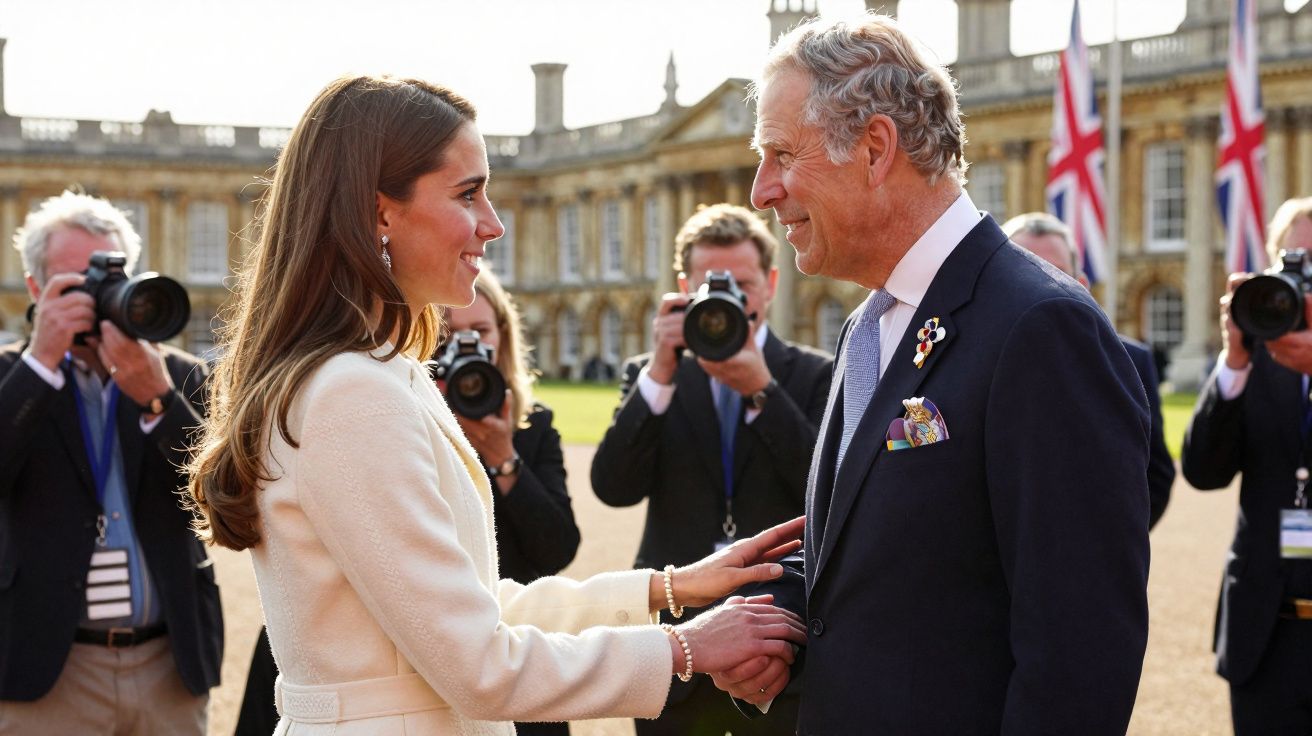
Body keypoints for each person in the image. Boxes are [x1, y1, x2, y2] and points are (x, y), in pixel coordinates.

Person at [185, 75, 806, 735]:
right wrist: (684, 647)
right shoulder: (354, 393)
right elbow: (479, 667)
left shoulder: (379, 374)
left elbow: (476, 605)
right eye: (467, 194)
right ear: (380, 213)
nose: (494, 223)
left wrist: (671, 588)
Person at [711, 14, 1152, 733]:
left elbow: (1079, 655)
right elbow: (884, 559)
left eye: (781, 154)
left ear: (875, 148)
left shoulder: (1041, 329)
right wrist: (780, 623)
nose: (762, 191)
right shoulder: (870, 324)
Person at [234, 268, 583, 736]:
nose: (467, 349)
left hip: (506, 655)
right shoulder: (377, 404)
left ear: (503, 336)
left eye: (480, 332)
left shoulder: (531, 428)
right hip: (395, 674)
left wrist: (504, 458)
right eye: (450, 336)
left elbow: (556, 549)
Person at [591, 203, 831, 736]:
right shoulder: (653, 375)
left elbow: (828, 493)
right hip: (677, 638)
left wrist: (762, 391)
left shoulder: (815, 374)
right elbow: (612, 487)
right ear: (684, 288)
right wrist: (660, 373)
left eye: (741, 285)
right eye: (710, 286)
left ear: (770, 285)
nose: (728, 300)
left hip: (776, 644)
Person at [0, 191, 221, 734]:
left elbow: (226, 499)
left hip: (168, 666)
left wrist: (158, 401)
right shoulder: (11, 377)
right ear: (36, 289)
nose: (99, 298)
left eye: (111, 280)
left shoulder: (180, 376)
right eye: (80, 282)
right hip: (49, 670)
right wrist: (43, 361)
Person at [1182, 195, 1312, 735]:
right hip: (1265, 630)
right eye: (1294, 264)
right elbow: (1202, 471)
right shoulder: (1257, 355)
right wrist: (1234, 362)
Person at [1002, 211, 1176, 528]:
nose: (1036, 288)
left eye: (1054, 272)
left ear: (1081, 284)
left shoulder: (1130, 360)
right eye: (1021, 272)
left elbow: (1154, 476)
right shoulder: (968, 356)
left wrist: (1106, 545)